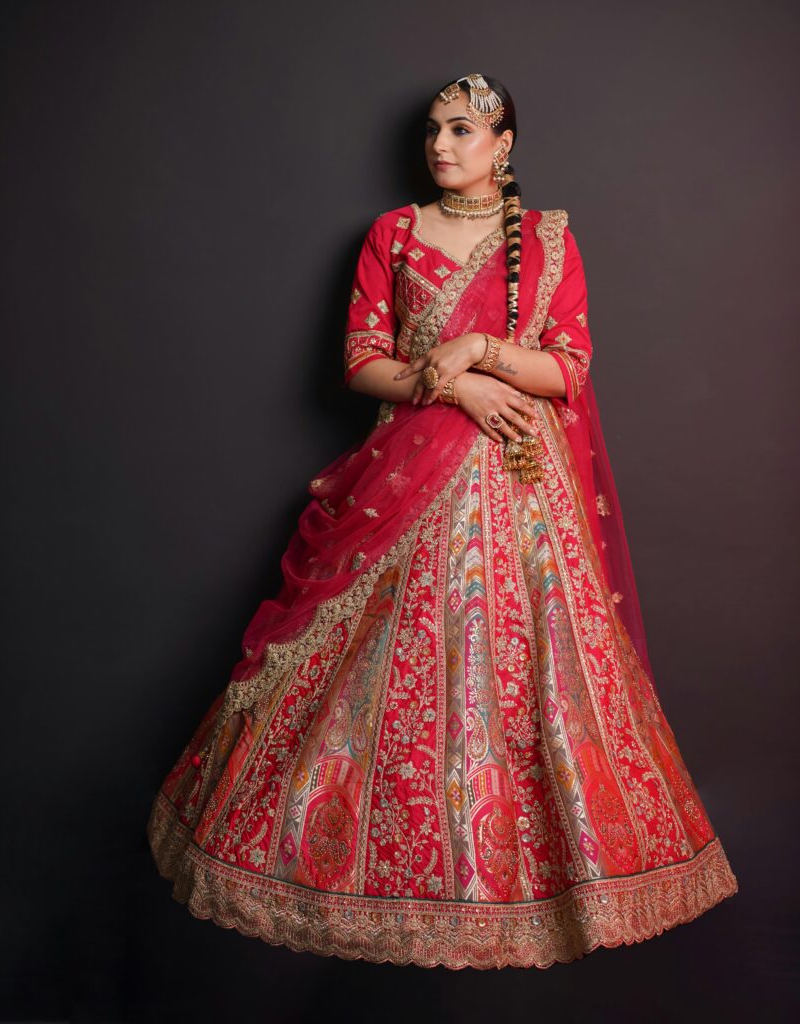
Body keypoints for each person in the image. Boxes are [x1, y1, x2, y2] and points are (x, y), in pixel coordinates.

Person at [146, 73, 738, 970]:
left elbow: (568, 368)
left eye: (462, 130)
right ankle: (381, 865)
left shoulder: (547, 240)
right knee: (392, 672)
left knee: (524, 669)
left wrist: (484, 350)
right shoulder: (390, 234)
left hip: (519, 485)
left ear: (504, 145)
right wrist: (451, 379)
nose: (440, 145)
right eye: (432, 130)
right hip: (407, 484)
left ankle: (548, 882)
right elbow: (360, 364)